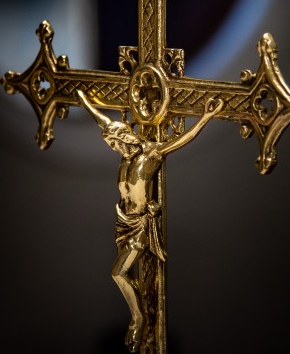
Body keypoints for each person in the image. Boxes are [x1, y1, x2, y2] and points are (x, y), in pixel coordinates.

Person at [76, 90, 225, 352]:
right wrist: (85, 101)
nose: (114, 147)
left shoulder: (150, 155)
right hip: (124, 222)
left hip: (142, 225)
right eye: (112, 144)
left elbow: (182, 140)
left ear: (125, 138)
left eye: (116, 142)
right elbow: (103, 120)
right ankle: (140, 316)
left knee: (118, 272)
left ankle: (138, 318)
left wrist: (206, 117)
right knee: (128, 275)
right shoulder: (125, 159)